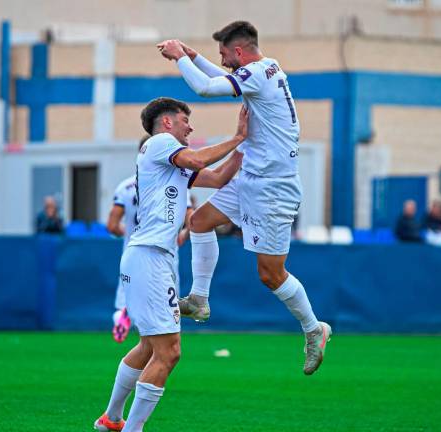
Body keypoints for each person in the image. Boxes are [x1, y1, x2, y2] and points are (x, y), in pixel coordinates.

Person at [157, 21, 331, 376]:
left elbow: (207, 88)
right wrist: (196, 56)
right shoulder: (267, 68)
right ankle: (201, 299)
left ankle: (314, 328)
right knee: (199, 221)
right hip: (252, 177)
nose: (223, 62)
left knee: (270, 274)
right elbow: (222, 78)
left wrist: (179, 59)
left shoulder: (256, 73)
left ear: (239, 51)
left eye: (224, 55)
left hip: (272, 188)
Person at [93, 97, 246, 431]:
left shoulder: (171, 164)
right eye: (184, 120)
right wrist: (235, 137)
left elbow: (219, 178)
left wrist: (247, 146)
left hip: (148, 257)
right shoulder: (160, 143)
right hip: (149, 257)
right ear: (166, 123)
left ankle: (112, 419)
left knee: (150, 346)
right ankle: (130, 428)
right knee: (170, 352)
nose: (190, 127)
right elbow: (195, 158)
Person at [106, 135, 195, 344]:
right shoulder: (178, 183)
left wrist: (128, 232)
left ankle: (122, 317)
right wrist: (182, 235)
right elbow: (193, 218)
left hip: (133, 251)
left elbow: (111, 224)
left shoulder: (125, 187)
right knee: (165, 312)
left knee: (125, 302)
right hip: (163, 253)